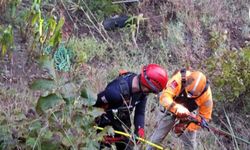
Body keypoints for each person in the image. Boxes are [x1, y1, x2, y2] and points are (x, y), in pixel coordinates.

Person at [94, 64, 168, 150]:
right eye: (152, 91)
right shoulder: (115, 92)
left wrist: (140, 130)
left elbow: (140, 113)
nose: (151, 93)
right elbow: (94, 103)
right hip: (102, 125)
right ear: (147, 85)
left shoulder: (142, 92)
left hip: (119, 123)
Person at [147, 68, 213, 150]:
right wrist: (176, 108)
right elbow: (164, 97)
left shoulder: (207, 96)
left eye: (193, 95)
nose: (189, 96)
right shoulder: (178, 79)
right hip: (170, 108)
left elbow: (205, 118)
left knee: (190, 144)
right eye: (188, 92)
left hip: (189, 114)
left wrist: (186, 126)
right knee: (157, 137)